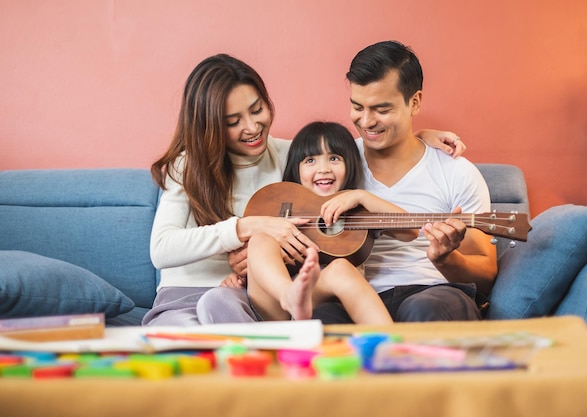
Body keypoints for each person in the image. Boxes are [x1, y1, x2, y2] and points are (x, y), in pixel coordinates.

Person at [142, 53, 464, 326]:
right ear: (209, 125)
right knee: (222, 295)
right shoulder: (187, 166)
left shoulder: (288, 154)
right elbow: (161, 249)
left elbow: (341, 152)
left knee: (244, 295)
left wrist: (417, 139)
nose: (253, 128)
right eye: (233, 121)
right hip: (193, 295)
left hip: (253, 296)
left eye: (257, 110)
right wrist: (246, 228)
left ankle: (396, 354)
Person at [312, 40, 498, 324]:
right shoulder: (334, 164)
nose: (366, 121)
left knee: (427, 310)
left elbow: (486, 275)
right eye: (357, 107)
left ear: (415, 102)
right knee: (317, 320)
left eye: (381, 109)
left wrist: (447, 259)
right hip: (354, 298)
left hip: (432, 291)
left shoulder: (456, 172)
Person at [247, 121, 419, 324]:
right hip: (276, 305)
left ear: (351, 164)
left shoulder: (357, 208)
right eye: (310, 160)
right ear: (296, 169)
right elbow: (251, 258)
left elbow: (410, 230)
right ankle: (289, 295)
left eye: (334, 158)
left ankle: (392, 346)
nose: (323, 169)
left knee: (341, 268)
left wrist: (363, 197)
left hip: (317, 297)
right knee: (259, 240)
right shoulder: (280, 205)